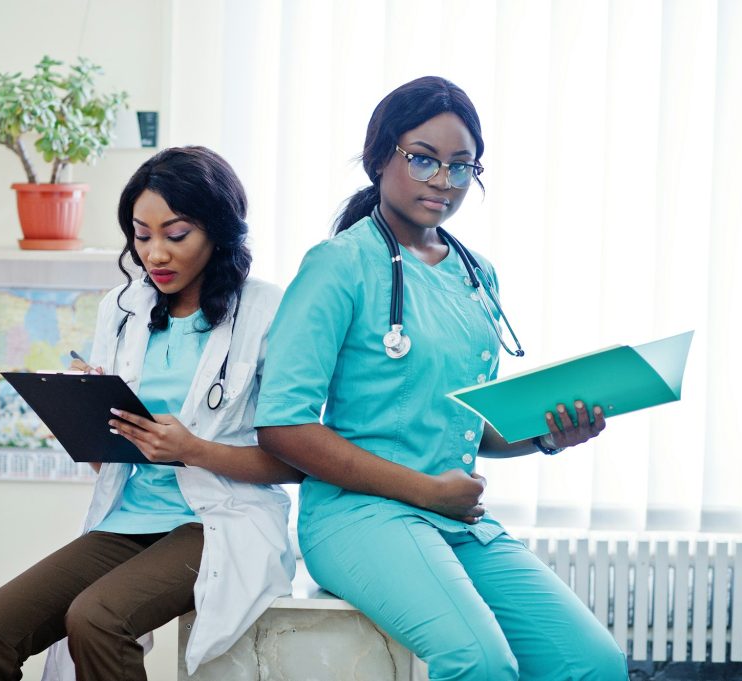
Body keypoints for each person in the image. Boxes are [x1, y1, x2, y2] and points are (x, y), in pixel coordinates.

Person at [255, 77, 627, 680]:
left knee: (591, 663)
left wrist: (551, 434)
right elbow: (283, 426)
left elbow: (466, 425)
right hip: (360, 517)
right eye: (423, 159)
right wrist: (426, 492)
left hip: (454, 517)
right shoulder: (338, 266)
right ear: (380, 156)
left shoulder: (477, 274)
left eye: (462, 167)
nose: (442, 181)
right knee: (479, 662)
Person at [0, 146, 301, 681]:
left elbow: (296, 461)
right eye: (142, 236)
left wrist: (193, 450)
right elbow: (110, 462)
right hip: (128, 517)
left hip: (217, 519)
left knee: (97, 619)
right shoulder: (122, 308)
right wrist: (85, 419)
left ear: (218, 231)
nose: (155, 254)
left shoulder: (267, 311)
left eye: (176, 234)